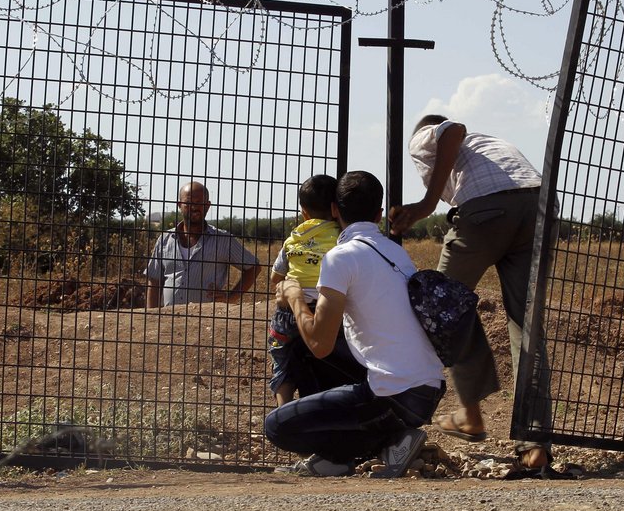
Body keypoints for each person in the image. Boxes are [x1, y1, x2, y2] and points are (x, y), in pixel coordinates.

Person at [388, 114, 558, 475]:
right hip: (539, 209)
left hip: (486, 209)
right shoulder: (492, 144)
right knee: (527, 330)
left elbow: (451, 129)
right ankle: (534, 445)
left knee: (441, 306)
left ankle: (469, 411)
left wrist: (425, 204)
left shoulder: (424, 136)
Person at [264, 171, 445, 478]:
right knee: (310, 356)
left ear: (335, 209)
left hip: (393, 395)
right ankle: (342, 456)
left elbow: (320, 344)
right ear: (378, 213)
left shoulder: (340, 257)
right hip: (426, 390)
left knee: (277, 426)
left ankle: (391, 440)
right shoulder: (395, 252)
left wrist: (294, 297)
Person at [268, 174, 364, 406]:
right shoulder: (342, 239)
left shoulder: (294, 238)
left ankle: (284, 412)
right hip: (326, 309)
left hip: (289, 312)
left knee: (282, 359)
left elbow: (275, 277)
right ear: (335, 208)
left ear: (304, 212)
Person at [145, 181, 261, 308]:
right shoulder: (165, 239)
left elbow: (253, 267)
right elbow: (154, 281)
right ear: (179, 205)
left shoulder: (222, 240)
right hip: (171, 321)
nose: (194, 207)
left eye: (199, 202)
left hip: (207, 321)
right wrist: (153, 315)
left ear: (207, 205)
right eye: (188, 202)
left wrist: (232, 297)